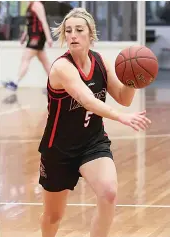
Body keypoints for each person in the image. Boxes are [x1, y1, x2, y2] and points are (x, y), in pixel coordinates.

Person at [38, 8, 151, 237]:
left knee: (108, 193)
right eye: (68, 31)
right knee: (54, 217)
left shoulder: (100, 61)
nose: (73, 35)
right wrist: (121, 117)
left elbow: (123, 98)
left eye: (79, 30)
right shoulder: (62, 67)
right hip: (58, 149)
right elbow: (87, 100)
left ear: (91, 34)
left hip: (92, 142)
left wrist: (131, 78)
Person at [2, 1, 53, 91]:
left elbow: (44, 22)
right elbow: (29, 23)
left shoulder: (38, 5)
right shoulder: (30, 5)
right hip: (33, 36)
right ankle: (55, 86)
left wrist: (49, 38)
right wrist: (24, 36)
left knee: (25, 58)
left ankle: (15, 82)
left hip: (37, 37)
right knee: (45, 62)